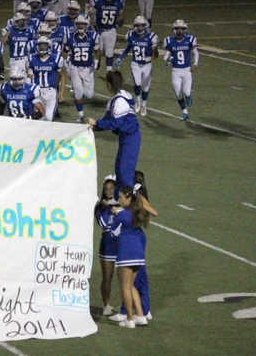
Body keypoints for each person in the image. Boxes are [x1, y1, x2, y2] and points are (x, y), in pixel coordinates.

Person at [87, 70, 140, 200]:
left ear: (109, 85)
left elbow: (116, 123)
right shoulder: (115, 100)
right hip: (125, 137)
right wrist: (94, 127)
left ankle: (130, 203)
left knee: (124, 171)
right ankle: (120, 199)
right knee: (119, 170)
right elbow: (107, 121)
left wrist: (96, 123)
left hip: (131, 137)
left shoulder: (120, 101)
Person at [108, 185, 151, 328]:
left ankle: (129, 319)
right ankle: (140, 316)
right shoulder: (139, 213)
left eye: (120, 197)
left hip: (126, 253)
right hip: (138, 253)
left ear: (128, 198)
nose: (118, 200)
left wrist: (115, 215)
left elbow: (113, 233)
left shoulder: (122, 215)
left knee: (125, 286)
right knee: (131, 286)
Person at [115, 16, 159, 116]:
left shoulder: (151, 37)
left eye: (142, 26)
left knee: (146, 88)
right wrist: (120, 58)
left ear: (145, 26)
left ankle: (144, 105)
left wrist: (150, 57)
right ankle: (138, 101)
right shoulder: (131, 35)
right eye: (137, 26)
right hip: (135, 64)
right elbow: (128, 49)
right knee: (137, 84)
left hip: (147, 65)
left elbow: (156, 54)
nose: (139, 28)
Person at [63, 15, 100, 122]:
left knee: (89, 95)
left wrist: (97, 61)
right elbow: (65, 51)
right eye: (78, 24)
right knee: (78, 92)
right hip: (74, 67)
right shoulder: (70, 37)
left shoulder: (92, 36)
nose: (80, 26)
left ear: (86, 25)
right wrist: (66, 63)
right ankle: (80, 115)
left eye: (82, 24)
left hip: (88, 68)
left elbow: (98, 50)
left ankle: (81, 88)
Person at [163, 20, 199, 121]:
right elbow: (166, 56)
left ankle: (188, 96)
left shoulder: (190, 40)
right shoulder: (169, 41)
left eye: (182, 29)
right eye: (177, 28)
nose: (179, 31)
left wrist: (195, 64)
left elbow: (196, 53)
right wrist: (167, 60)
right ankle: (185, 112)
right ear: (174, 30)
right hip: (176, 71)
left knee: (186, 92)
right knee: (179, 95)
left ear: (185, 30)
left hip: (187, 71)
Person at [94, 175, 118, 316]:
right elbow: (103, 223)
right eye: (107, 189)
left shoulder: (122, 203)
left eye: (112, 188)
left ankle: (126, 304)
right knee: (107, 276)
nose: (109, 191)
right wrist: (107, 208)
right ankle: (107, 305)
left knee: (124, 277)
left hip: (121, 244)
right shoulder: (99, 207)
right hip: (108, 245)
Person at [27, 36, 65, 121]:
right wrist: (28, 89)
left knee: (49, 117)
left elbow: (62, 76)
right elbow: (29, 75)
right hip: (37, 91)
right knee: (41, 118)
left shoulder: (56, 59)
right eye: (40, 45)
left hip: (50, 91)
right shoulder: (32, 58)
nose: (41, 48)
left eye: (44, 45)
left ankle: (50, 134)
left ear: (49, 46)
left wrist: (62, 92)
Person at [89, 0, 124, 72]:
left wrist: (120, 20)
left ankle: (109, 71)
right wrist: (95, 26)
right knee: (98, 50)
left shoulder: (118, 2)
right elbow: (89, 16)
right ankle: (97, 63)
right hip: (100, 30)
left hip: (111, 30)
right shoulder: (98, 1)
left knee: (109, 51)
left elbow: (121, 14)